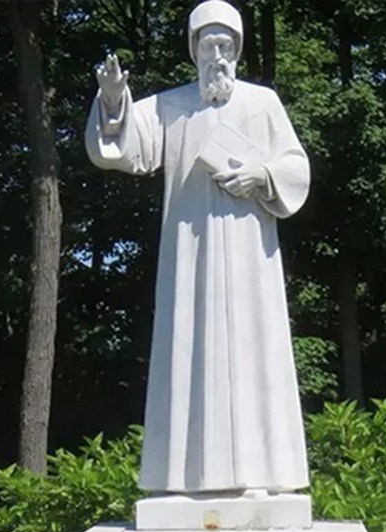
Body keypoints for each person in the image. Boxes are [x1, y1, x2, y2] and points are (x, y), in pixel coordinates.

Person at [86, 0, 310, 494]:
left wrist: (263, 174)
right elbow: (125, 149)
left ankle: (260, 476)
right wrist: (112, 100)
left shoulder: (262, 104)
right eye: (208, 44)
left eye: (226, 45)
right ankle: (185, 480)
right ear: (194, 50)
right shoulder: (171, 106)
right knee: (188, 350)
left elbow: (296, 167)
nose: (218, 54)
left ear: (238, 49)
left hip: (250, 254)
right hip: (190, 253)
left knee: (256, 355)